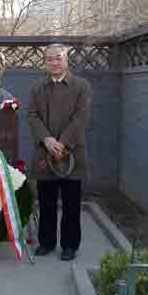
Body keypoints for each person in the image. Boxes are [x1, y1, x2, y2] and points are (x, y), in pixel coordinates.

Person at [27, 43, 92, 261]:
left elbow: (81, 118)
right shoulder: (37, 88)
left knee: (71, 203)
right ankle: (46, 242)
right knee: (46, 202)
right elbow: (32, 115)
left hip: (72, 153)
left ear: (66, 59)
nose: (54, 62)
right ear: (45, 62)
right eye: (50, 59)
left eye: (59, 58)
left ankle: (70, 245)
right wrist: (46, 139)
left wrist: (62, 143)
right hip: (44, 153)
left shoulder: (82, 86)